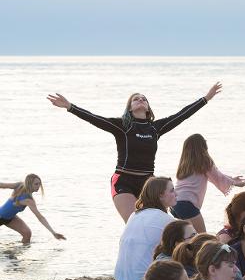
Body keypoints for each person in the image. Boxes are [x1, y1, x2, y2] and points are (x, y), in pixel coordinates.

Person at [47, 82, 222, 222]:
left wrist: (206, 98)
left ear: (148, 108)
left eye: (144, 99)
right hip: (124, 180)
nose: (140, 100)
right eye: (136, 99)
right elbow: (94, 119)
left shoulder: (155, 128)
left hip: (148, 183)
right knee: (135, 222)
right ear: (130, 108)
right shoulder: (122, 126)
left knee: (157, 225)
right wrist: (70, 107)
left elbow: (182, 115)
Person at [170, 133, 245, 233]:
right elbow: (217, 176)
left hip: (175, 203)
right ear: (202, 146)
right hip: (187, 204)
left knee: (188, 237)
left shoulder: (185, 164)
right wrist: (235, 183)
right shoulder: (204, 161)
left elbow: (214, 175)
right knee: (202, 237)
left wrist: (232, 179)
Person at [114, 176, 176, 280]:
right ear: (160, 195)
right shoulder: (167, 220)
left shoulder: (134, 215)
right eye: (172, 190)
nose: (176, 194)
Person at [0, 174, 66, 244]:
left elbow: (40, 217)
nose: (39, 186)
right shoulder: (19, 187)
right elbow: (2, 185)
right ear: (29, 184)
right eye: (36, 184)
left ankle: (19, 252)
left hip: (10, 218)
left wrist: (53, 232)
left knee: (27, 234)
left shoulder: (30, 200)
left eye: (39, 184)